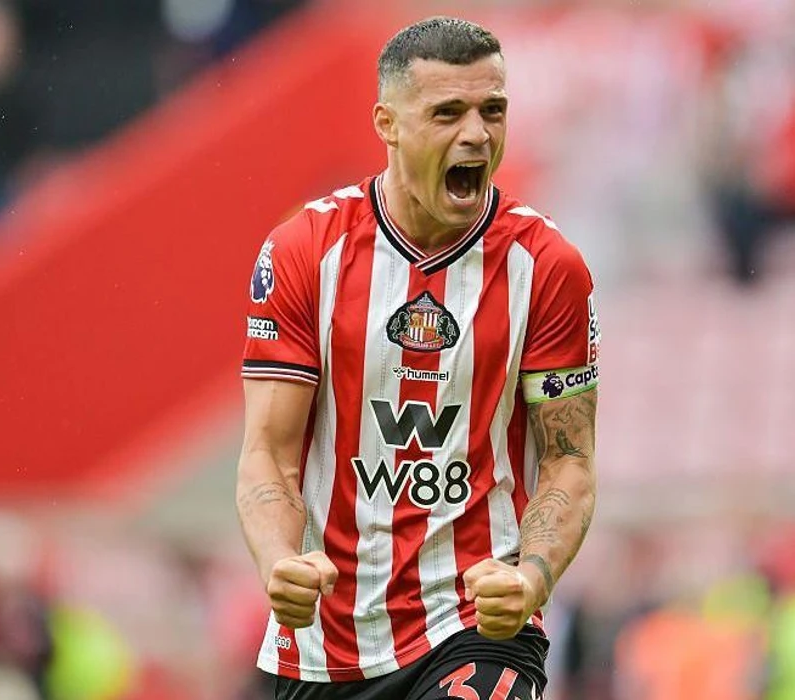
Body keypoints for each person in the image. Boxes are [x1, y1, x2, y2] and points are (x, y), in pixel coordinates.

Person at [236, 16, 600, 700]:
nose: (477, 134)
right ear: (388, 124)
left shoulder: (547, 266)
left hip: (475, 625)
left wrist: (531, 578)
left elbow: (569, 461)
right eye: (447, 113)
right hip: (326, 641)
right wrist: (280, 560)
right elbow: (268, 454)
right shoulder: (304, 252)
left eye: (493, 110)